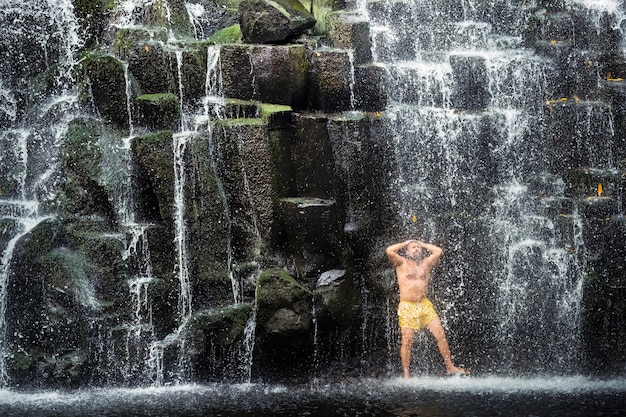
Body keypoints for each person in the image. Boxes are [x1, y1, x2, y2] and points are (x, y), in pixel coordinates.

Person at [386, 239, 467, 378]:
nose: (416, 249)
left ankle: (450, 367)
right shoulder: (401, 263)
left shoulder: (426, 263)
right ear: (407, 251)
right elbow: (389, 250)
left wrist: (422, 244)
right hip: (407, 306)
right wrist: (406, 243)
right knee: (407, 340)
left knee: (441, 335)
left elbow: (438, 251)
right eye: (413, 247)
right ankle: (406, 374)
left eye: (418, 247)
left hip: (424, 305)